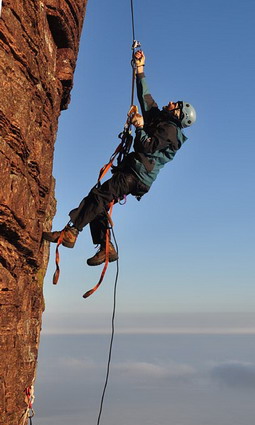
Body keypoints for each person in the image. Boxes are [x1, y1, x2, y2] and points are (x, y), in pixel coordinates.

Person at [43, 50, 196, 266]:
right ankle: (105, 248)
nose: (171, 102)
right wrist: (140, 69)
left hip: (136, 175)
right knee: (98, 201)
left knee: (98, 197)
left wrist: (141, 128)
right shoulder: (162, 120)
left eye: (176, 104)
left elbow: (147, 146)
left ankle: (71, 233)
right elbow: (147, 100)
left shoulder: (170, 131)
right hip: (135, 173)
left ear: (178, 114)